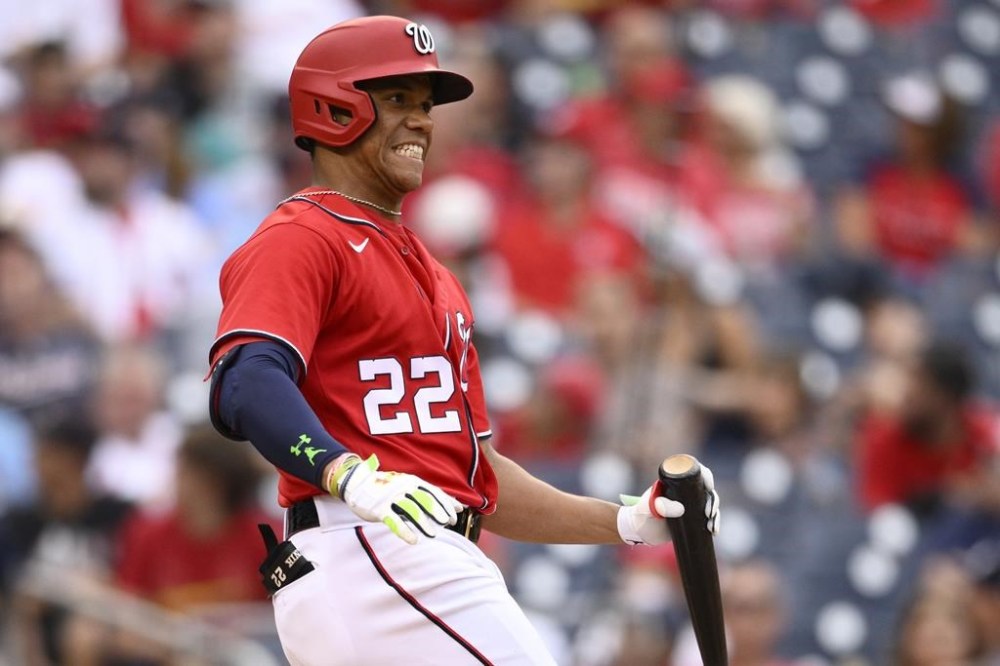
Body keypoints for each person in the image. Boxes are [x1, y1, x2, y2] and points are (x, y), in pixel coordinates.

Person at [207, 16, 720, 665]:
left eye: (425, 106)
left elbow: (480, 479)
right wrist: (346, 473)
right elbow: (247, 383)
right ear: (334, 106)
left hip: (396, 555)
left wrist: (622, 520)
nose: (422, 121)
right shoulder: (304, 235)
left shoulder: (434, 272)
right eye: (398, 101)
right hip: (371, 545)